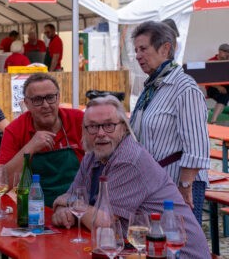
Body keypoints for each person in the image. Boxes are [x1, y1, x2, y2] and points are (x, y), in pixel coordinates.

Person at [51, 96, 210, 258]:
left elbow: (102, 223)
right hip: (137, 251)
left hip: (176, 253)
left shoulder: (129, 159)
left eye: (108, 125)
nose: (100, 133)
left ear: (124, 128)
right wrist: (65, 210)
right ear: (84, 130)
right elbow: (72, 199)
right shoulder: (92, 157)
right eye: (92, 126)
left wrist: (70, 204)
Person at [129, 21, 210, 225]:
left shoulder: (185, 88)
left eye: (143, 49)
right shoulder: (152, 87)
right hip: (155, 184)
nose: (138, 55)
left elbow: (197, 148)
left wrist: (184, 187)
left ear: (165, 48)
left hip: (179, 186)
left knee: (181, 248)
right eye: (136, 50)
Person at [0, 73, 84, 207]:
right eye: (37, 100)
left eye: (50, 97)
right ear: (27, 103)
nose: (45, 105)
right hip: (35, 210)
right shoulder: (15, 130)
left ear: (58, 97)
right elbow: (2, 184)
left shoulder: (79, 121)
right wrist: (29, 148)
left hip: (79, 206)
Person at [206, 43, 229, 124]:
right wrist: (218, 87)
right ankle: (213, 121)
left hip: (225, 86)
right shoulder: (211, 61)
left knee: (225, 95)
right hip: (213, 88)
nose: (227, 54)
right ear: (219, 51)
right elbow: (206, 79)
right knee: (224, 96)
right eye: (225, 51)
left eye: (228, 52)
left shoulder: (227, 62)